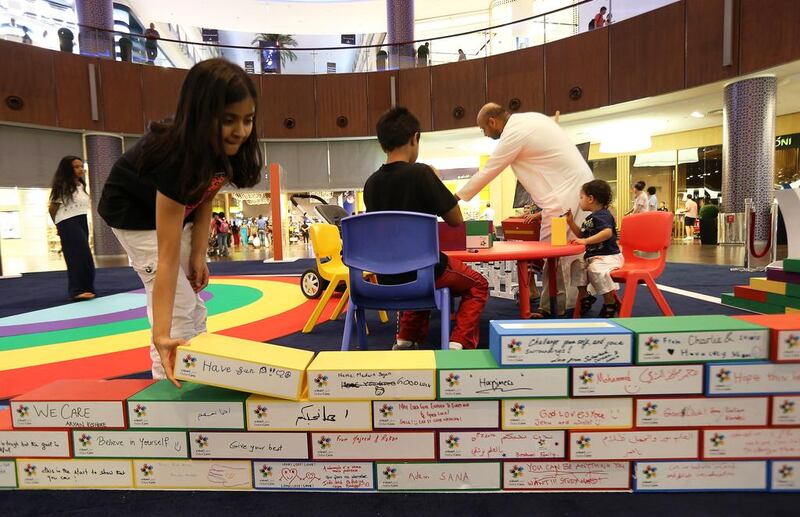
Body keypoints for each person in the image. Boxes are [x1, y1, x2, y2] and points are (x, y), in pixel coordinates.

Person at [97, 59, 262, 387]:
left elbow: (204, 196)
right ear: (203, 114)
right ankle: (168, 383)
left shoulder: (219, 150)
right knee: (177, 312)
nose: (241, 131)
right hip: (133, 214)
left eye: (248, 120)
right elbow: (167, 257)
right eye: (229, 120)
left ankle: (198, 371)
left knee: (193, 305)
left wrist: (199, 253)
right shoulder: (176, 156)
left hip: (176, 208)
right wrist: (161, 334)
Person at [364, 107, 489, 350]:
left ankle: (406, 339)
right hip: (426, 271)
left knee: (415, 269)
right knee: (477, 284)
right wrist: (435, 185)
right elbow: (456, 219)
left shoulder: (371, 183)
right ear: (414, 138)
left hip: (386, 275)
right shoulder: (421, 173)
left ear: (382, 145)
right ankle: (458, 343)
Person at [455, 103, 593, 318]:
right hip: (570, 192)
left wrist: (453, 198)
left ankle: (563, 308)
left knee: (558, 256)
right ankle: (558, 305)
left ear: (493, 122)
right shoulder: (532, 119)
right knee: (560, 256)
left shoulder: (515, 132)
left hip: (563, 199)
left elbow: (490, 170)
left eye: (484, 129)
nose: (485, 134)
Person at [565, 179, 623, 318]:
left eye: (581, 197)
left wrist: (585, 241)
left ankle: (610, 303)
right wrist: (571, 222)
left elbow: (607, 233)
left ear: (590, 199)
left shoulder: (603, 215)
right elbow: (581, 234)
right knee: (576, 266)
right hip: (593, 256)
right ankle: (586, 296)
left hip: (608, 256)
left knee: (595, 270)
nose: (580, 201)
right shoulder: (590, 218)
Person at [48, 156, 96, 301]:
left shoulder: (81, 186)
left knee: (86, 257)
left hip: (81, 221)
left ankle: (87, 287)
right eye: (76, 167)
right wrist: (59, 226)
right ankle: (76, 291)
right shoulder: (63, 186)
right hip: (67, 222)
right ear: (68, 169)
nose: (81, 169)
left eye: (81, 166)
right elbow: (52, 208)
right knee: (77, 257)